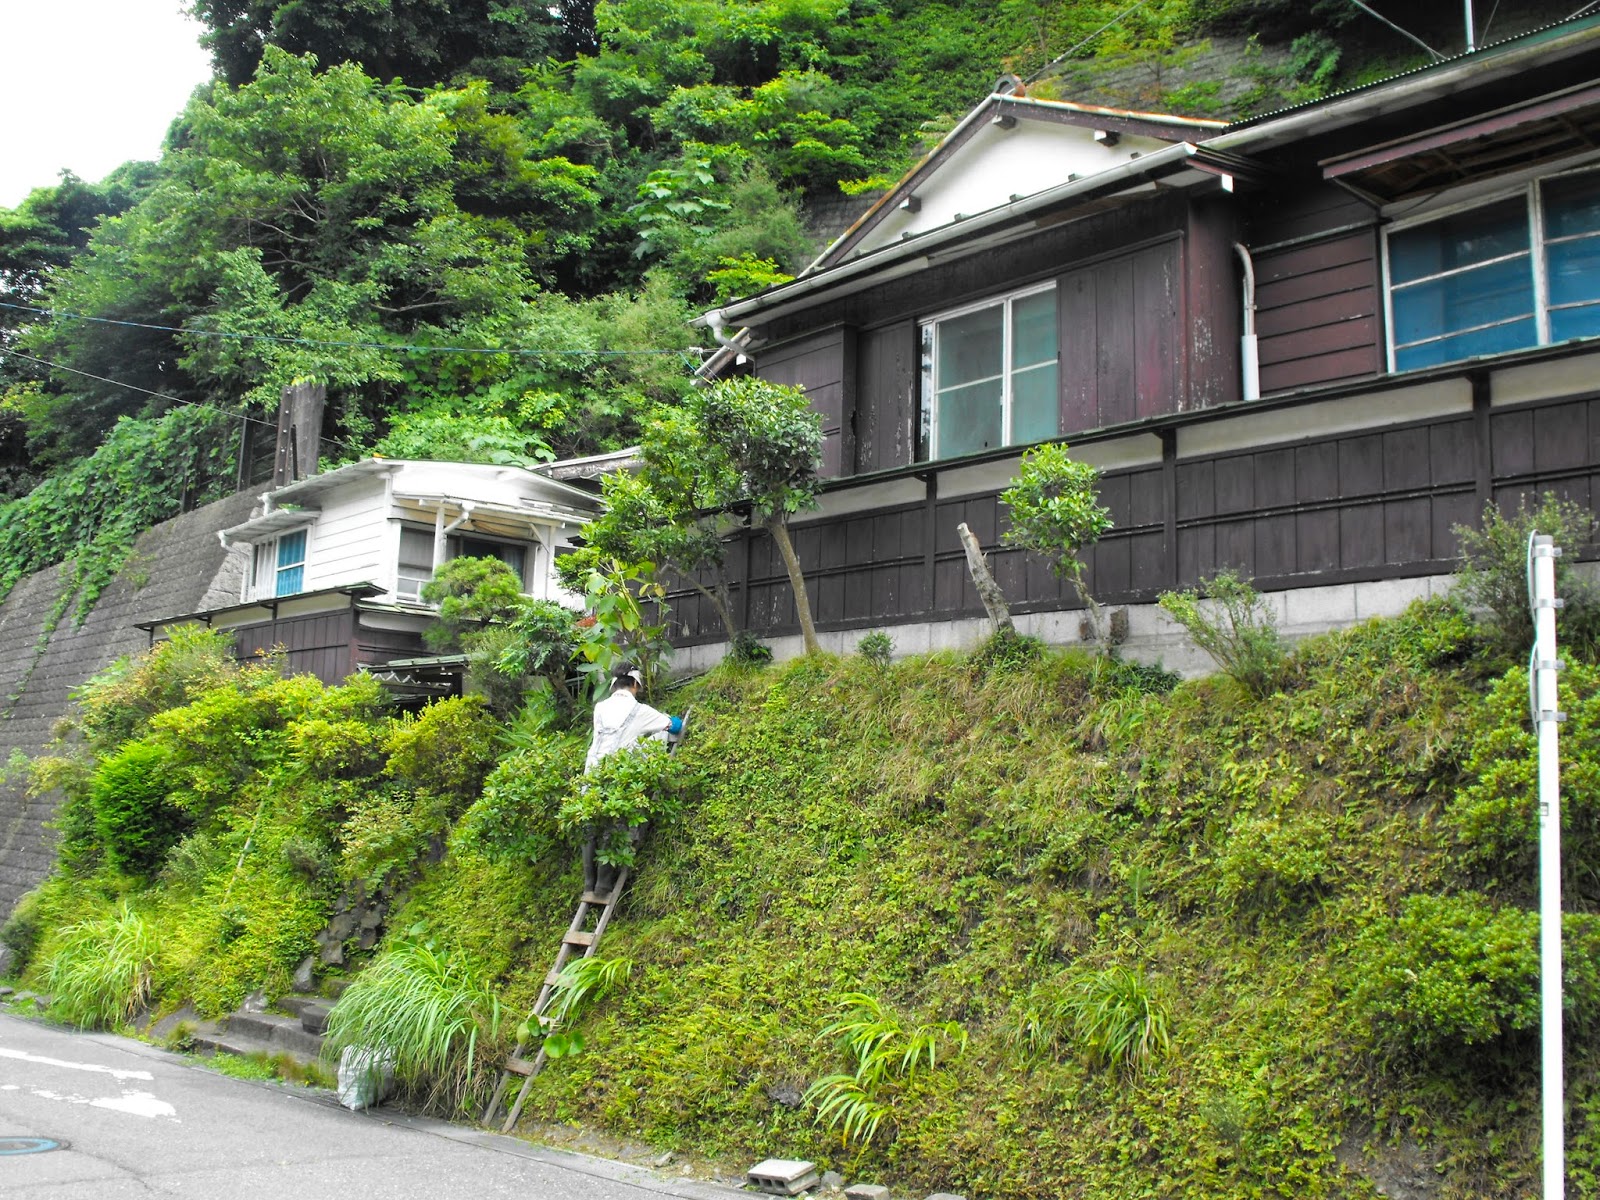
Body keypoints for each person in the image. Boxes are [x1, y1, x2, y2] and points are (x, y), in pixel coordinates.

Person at [581, 663, 684, 893]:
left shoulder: (599, 708)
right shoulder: (640, 711)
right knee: (614, 824)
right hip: (617, 776)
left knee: (589, 824)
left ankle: (588, 882)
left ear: (613, 685)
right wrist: (673, 722)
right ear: (635, 684)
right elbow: (673, 725)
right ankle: (603, 883)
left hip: (592, 773)